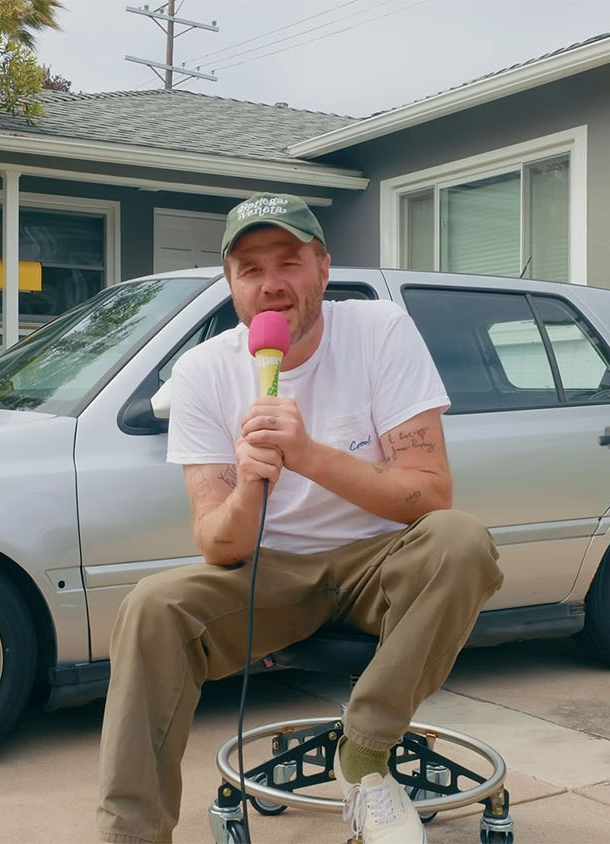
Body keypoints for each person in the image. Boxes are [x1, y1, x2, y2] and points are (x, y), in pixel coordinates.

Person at [97, 192, 504, 844]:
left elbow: (431, 497)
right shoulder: (203, 371)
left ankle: (364, 753)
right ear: (230, 283)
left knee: (462, 541)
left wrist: (308, 454)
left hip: (382, 561)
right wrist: (252, 486)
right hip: (271, 573)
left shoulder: (379, 330)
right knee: (151, 606)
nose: (272, 284)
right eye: (251, 269)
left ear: (323, 267)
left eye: (288, 261)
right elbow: (216, 544)